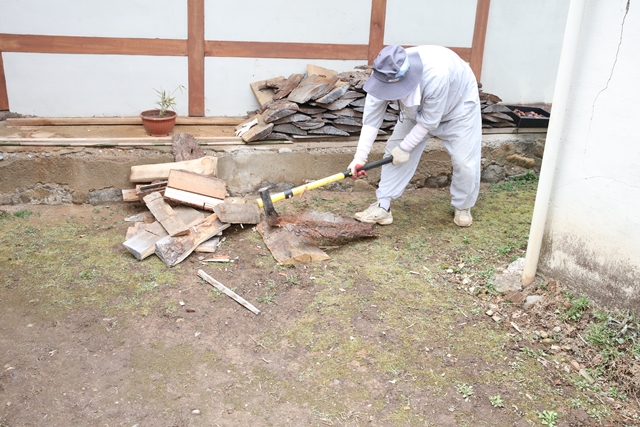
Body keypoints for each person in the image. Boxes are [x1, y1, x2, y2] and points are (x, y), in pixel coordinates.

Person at [348, 45, 482, 227]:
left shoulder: (437, 74)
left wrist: (404, 148)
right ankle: (383, 206)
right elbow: (371, 120)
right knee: (391, 153)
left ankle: (463, 206)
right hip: (415, 112)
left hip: (458, 108)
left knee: (464, 162)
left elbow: (429, 121)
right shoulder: (382, 75)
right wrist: (360, 157)